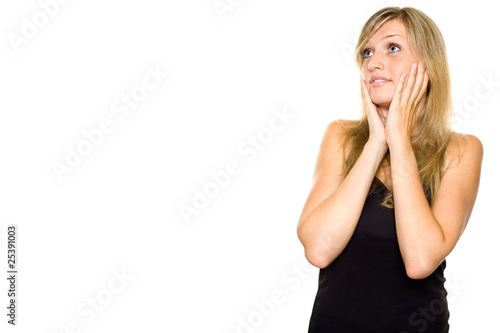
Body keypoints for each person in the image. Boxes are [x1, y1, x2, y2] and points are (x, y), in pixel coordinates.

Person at [296, 6, 483, 332]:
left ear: (428, 64)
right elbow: (318, 249)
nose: (373, 62)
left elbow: (421, 261)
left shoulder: (461, 150)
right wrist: (375, 144)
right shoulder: (340, 136)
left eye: (392, 47)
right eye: (367, 52)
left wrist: (399, 141)